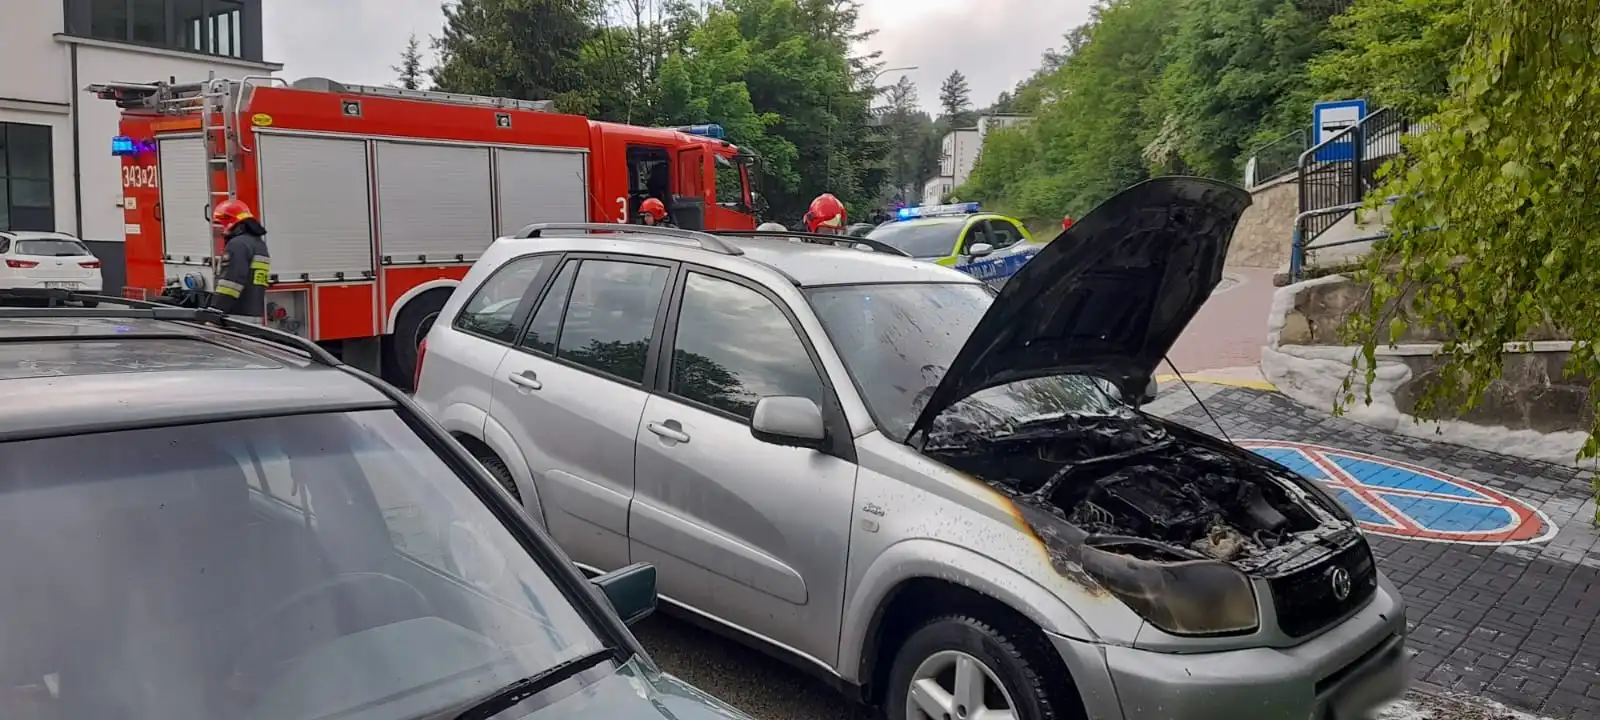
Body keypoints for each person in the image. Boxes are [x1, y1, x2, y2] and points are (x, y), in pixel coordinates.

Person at [207, 198, 271, 322]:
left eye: (221, 223)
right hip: (254, 314)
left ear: (230, 222)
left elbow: (231, 283)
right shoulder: (258, 244)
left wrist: (215, 311)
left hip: (235, 316)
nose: (220, 228)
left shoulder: (237, 245)